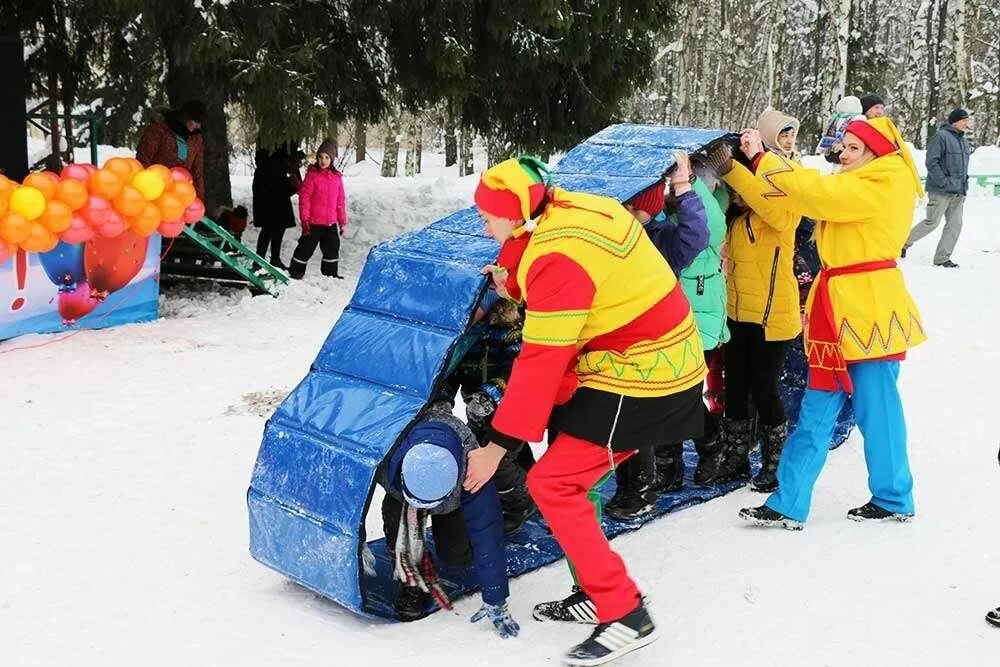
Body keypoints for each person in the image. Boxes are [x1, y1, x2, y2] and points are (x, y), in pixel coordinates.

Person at [464, 156, 707, 666]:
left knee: (553, 483)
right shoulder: (572, 207)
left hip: (645, 375)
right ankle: (594, 591)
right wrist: (515, 282)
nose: (482, 225)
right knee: (570, 471)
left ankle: (625, 613)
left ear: (515, 215)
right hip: (652, 357)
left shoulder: (557, 258)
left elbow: (540, 359)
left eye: (488, 216)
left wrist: (495, 447)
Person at [705, 116, 927, 529]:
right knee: (815, 410)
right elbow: (793, 199)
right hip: (835, 307)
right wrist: (739, 168)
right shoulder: (856, 180)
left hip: (868, 309)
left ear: (876, 153)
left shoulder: (884, 181)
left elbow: (815, 193)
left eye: (853, 148)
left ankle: (894, 495)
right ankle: (789, 501)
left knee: (877, 411)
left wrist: (762, 158)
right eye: (843, 146)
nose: (843, 154)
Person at [695, 113, 803, 494]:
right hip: (739, 316)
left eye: (742, 186)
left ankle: (775, 460)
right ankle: (736, 455)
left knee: (764, 387)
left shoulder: (781, 215)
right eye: (733, 187)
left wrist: (739, 172)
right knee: (734, 386)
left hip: (774, 318)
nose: (738, 194)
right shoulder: (736, 221)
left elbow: (775, 206)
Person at [605, 152, 714, 518]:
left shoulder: (659, 239)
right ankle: (634, 484)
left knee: (637, 419)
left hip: (649, 341)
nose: (631, 221)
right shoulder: (611, 237)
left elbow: (697, 236)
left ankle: (642, 490)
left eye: (637, 214)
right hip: (615, 338)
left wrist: (683, 188)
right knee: (623, 418)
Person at [379, 401, 518, 637]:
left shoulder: (472, 465)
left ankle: (514, 491)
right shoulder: (386, 445)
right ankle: (410, 581)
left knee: (457, 556)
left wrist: (496, 598)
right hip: (401, 496)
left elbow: (486, 530)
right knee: (395, 516)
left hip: (451, 503)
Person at [438, 288, 536, 535]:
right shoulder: (465, 335)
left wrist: (490, 394)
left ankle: (521, 503)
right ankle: (532, 483)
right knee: (509, 456)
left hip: (512, 411)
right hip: (478, 413)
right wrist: (443, 399)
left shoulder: (511, 331)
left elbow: (514, 369)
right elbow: (453, 371)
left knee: (499, 462)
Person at [903, 108, 972, 268]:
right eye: (964, 120)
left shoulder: (963, 140)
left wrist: (963, 185)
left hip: (958, 191)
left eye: (966, 120)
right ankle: (903, 243)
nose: (966, 123)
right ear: (955, 121)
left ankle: (942, 258)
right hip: (941, 190)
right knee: (932, 222)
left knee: (955, 225)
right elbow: (931, 162)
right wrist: (944, 182)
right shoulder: (941, 137)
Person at [288, 139, 347, 280]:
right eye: (320, 157)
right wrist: (305, 219)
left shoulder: (336, 178)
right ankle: (295, 272)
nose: (323, 161)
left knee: (332, 248)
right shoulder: (312, 175)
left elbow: (340, 201)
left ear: (332, 159)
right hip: (314, 222)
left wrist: (342, 221)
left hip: (330, 223)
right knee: (305, 248)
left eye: (327, 157)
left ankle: (330, 275)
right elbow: (305, 198)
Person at [136, 100, 206, 200]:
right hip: (153, 193)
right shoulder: (158, 130)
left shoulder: (197, 138)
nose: (198, 126)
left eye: (200, 123)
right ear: (185, 117)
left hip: (180, 197)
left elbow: (197, 171)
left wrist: (199, 200)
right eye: (196, 121)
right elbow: (142, 161)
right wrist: (144, 191)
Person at [252, 147, 301, 269]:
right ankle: (261, 260)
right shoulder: (274, 164)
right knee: (269, 228)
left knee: (277, 227)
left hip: (274, 193)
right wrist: (293, 186)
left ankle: (272, 258)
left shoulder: (275, 164)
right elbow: (279, 189)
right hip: (271, 193)